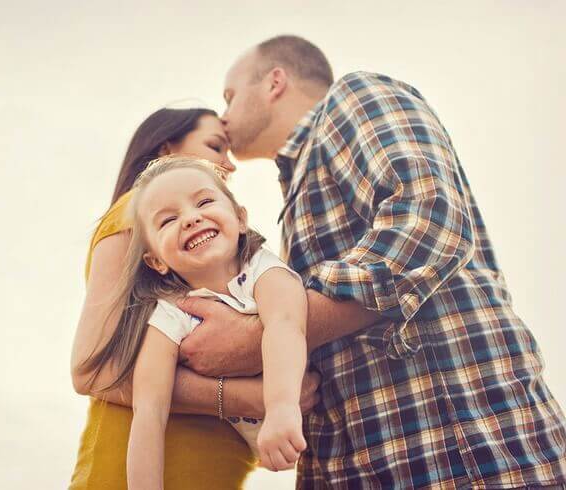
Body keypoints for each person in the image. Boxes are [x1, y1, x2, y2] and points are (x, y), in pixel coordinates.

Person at [174, 35, 566, 488]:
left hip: (463, 454)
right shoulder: (298, 191)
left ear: (275, 82)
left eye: (230, 96)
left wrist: (261, 334)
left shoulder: (355, 97)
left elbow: (428, 221)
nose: (223, 115)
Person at [68, 107, 320, 489]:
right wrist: (256, 399)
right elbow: (93, 370)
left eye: (204, 203)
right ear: (166, 152)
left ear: (240, 218)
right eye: (216, 146)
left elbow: (286, 321)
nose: (229, 165)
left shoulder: (260, 274)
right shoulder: (137, 211)